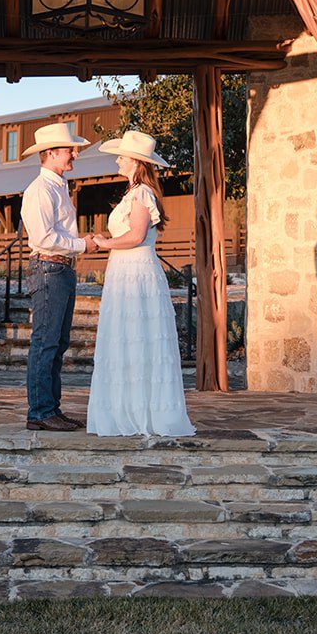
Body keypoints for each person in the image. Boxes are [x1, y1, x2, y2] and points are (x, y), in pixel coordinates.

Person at [84, 131, 195, 437]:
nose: (117, 159)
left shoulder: (142, 194)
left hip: (135, 271)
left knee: (138, 336)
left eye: (121, 155)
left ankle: (141, 411)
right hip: (124, 270)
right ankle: (125, 407)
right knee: (125, 337)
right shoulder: (132, 193)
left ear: (135, 161)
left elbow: (135, 236)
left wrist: (104, 242)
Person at [18, 121, 98, 431]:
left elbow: (58, 233)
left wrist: (81, 243)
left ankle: (51, 408)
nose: (74, 155)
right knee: (45, 343)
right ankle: (39, 412)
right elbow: (45, 236)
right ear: (50, 153)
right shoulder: (40, 190)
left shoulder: (57, 187)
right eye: (69, 150)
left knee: (57, 342)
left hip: (60, 268)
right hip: (49, 269)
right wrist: (82, 244)